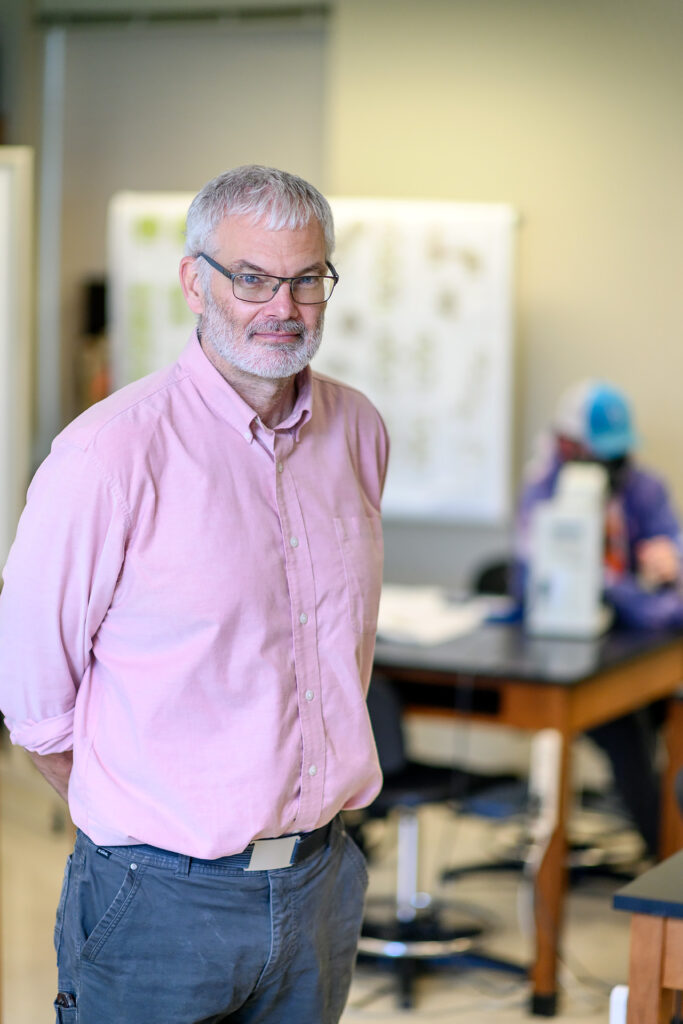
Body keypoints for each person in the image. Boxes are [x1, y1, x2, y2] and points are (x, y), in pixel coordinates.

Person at [0, 165, 389, 1024]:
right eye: (251, 278)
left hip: (321, 880)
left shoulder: (358, 430)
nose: (280, 307)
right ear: (194, 281)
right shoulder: (107, 456)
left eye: (305, 279)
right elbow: (35, 709)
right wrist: (149, 827)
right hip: (159, 899)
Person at [515, 378, 683, 856]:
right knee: (624, 731)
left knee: (663, 715)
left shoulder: (644, 487)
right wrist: (653, 604)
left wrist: (670, 563)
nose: (612, 464)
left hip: (636, 648)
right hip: (567, 658)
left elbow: (671, 547)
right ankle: (666, 862)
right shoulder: (544, 494)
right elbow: (563, 576)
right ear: (567, 444)